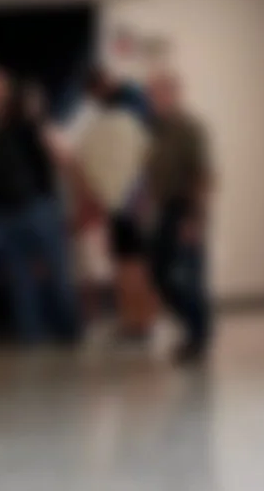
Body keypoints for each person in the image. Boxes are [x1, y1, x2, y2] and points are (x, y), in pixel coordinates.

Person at [0, 68, 81, 347]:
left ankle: (60, 335)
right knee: (27, 279)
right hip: (12, 209)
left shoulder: (21, 120)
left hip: (31, 206)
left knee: (48, 275)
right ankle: (39, 335)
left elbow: (61, 157)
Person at [62, 68, 154, 336]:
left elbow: (80, 164)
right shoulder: (132, 116)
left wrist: (92, 197)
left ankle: (135, 321)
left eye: (94, 95)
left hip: (120, 201)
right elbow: (147, 156)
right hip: (136, 200)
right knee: (135, 262)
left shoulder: (109, 122)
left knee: (127, 263)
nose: (93, 101)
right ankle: (139, 320)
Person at [142, 66, 219, 367]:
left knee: (189, 277)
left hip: (186, 208)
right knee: (158, 273)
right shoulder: (155, 130)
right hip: (165, 210)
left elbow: (203, 175)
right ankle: (192, 328)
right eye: (151, 95)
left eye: (159, 93)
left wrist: (193, 219)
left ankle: (198, 338)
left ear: (174, 94)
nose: (153, 99)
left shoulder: (189, 128)